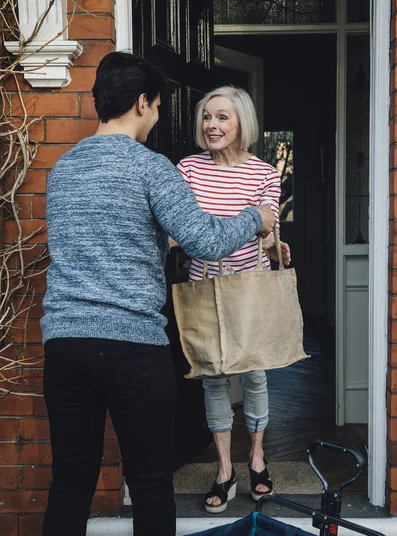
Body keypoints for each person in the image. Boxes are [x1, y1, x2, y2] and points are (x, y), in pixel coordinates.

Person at [40, 52, 276, 536]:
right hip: (132, 347)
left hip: (64, 347)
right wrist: (258, 219)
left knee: (69, 484)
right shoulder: (151, 168)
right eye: (159, 106)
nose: (158, 117)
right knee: (149, 485)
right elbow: (205, 240)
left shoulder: (62, 169)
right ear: (143, 103)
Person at [176, 85, 290, 514]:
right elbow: (179, 226)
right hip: (203, 284)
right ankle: (225, 469)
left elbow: (267, 225)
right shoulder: (187, 168)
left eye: (222, 117)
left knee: (256, 374)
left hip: (250, 285)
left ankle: (257, 456)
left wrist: (273, 243)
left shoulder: (264, 172)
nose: (212, 125)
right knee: (214, 377)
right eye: (207, 116)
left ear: (243, 122)